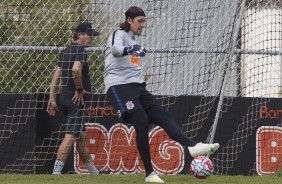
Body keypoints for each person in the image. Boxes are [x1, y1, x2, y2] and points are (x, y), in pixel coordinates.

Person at [104, 6, 220, 183]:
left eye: (144, 21)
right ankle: (150, 174)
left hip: (137, 87)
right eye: (139, 21)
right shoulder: (118, 34)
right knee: (141, 120)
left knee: (163, 115)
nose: (143, 25)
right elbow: (115, 50)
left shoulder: (134, 39)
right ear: (129, 20)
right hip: (118, 87)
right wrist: (131, 49)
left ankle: (192, 146)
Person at [47, 22, 100, 175]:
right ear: (80, 35)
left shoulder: (66, 51)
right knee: (70, 136)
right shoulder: (81, 51)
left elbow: (56, 76)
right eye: (89, 36)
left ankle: (94, 173)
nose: (92, 39)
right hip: (76, 101)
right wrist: (79, 89)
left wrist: (52, 98)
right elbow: (76, 69)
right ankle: (55, 174)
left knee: (80, 136)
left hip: (64, 99)